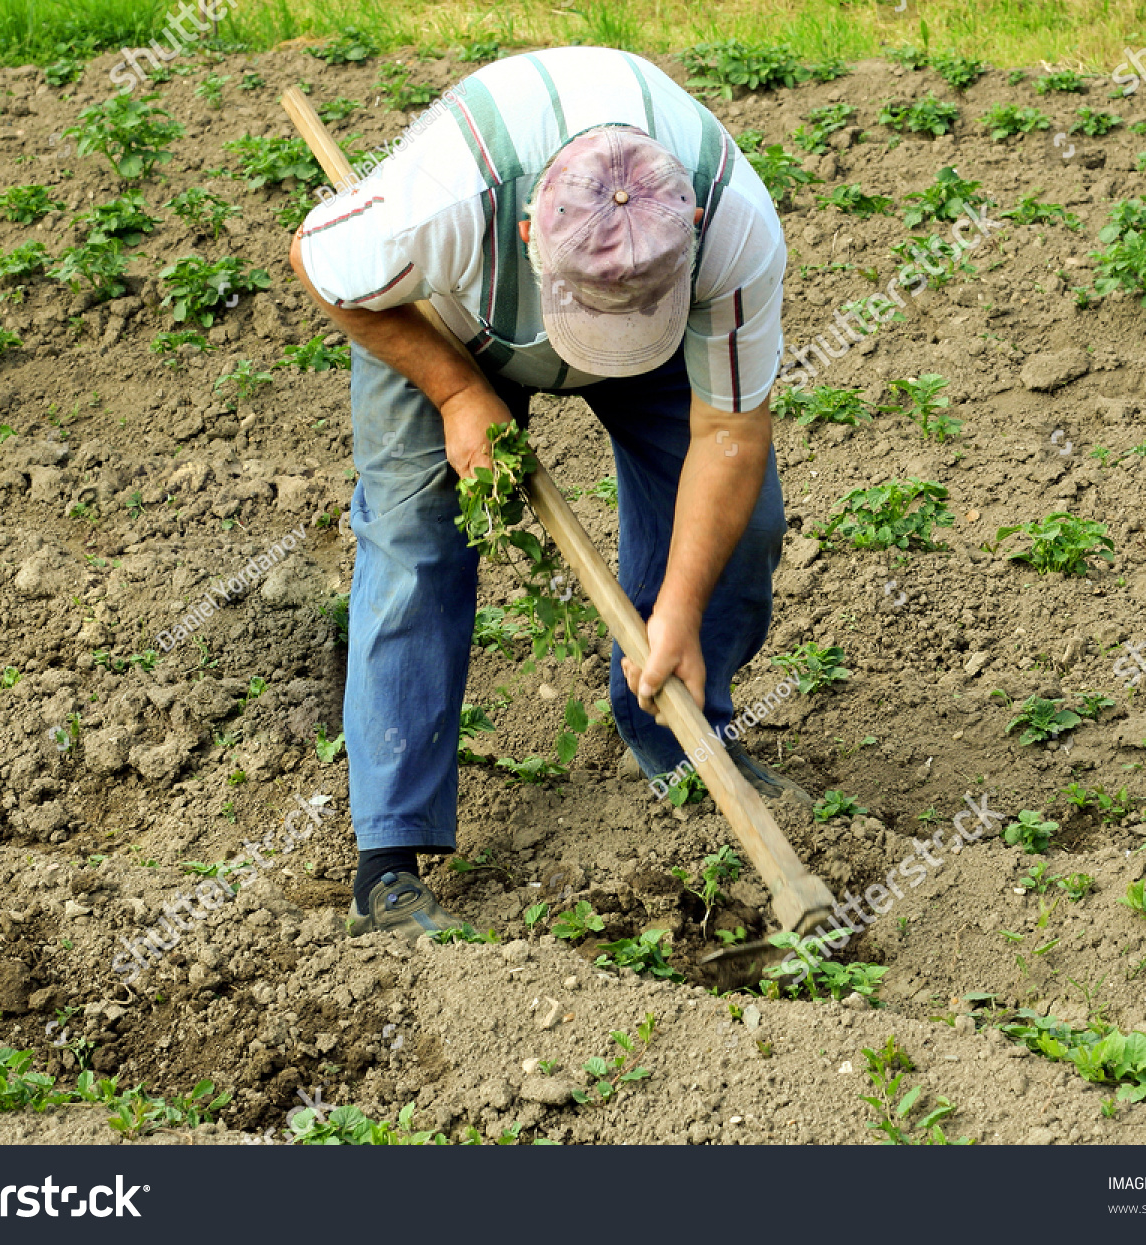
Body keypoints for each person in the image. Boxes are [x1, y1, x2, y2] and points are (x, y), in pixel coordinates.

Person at [289, 45, 805, 937]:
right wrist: (455, 391)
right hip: (453, 318)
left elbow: (729, 434)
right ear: (528, 230)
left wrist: (677, 610)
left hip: (656, 326)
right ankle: (389, 857)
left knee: (742, 523)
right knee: (415, 543)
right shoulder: (442, 202)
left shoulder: (732, 225)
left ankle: (679, 739)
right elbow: (317, 259)